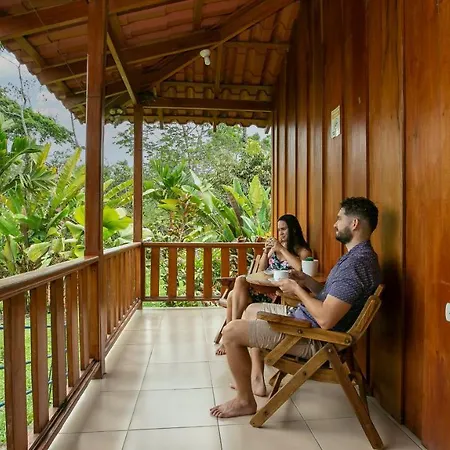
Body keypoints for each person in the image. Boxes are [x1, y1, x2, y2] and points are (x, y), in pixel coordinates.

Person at [210, 197, 381, 418]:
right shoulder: (358, 258)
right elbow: (328, 296)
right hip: (305, 321)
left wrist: (296, 289)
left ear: (354, 224)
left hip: (311, 336)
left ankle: (245, 401)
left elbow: (326, 319)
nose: (335, 224)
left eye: (339, 219)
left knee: (231, 332)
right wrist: (305, 281)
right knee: (251, 310)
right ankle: (255, 376)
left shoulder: (356, 265)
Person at [215, 214, 311, 356]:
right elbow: (260, 271)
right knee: (237, 286)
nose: (280, 233)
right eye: (279, 230)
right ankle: (232, 330)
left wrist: (282, 249)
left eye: (283, 229)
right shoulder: (275, 249)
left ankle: (230, 333)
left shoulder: (302, 251)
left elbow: (301, 269)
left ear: (294, 230)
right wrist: (266, 252)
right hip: (265, 290)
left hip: (280, 295)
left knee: (233, 294)